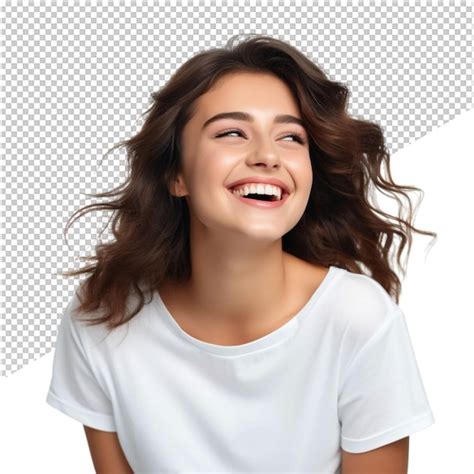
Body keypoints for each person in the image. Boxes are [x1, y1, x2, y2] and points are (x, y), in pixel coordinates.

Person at [46, 34, 436, 473]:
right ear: (177, 175)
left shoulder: (359, 321)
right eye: (232, 132)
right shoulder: (104, 317)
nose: (268, 156)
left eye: (291, 137)